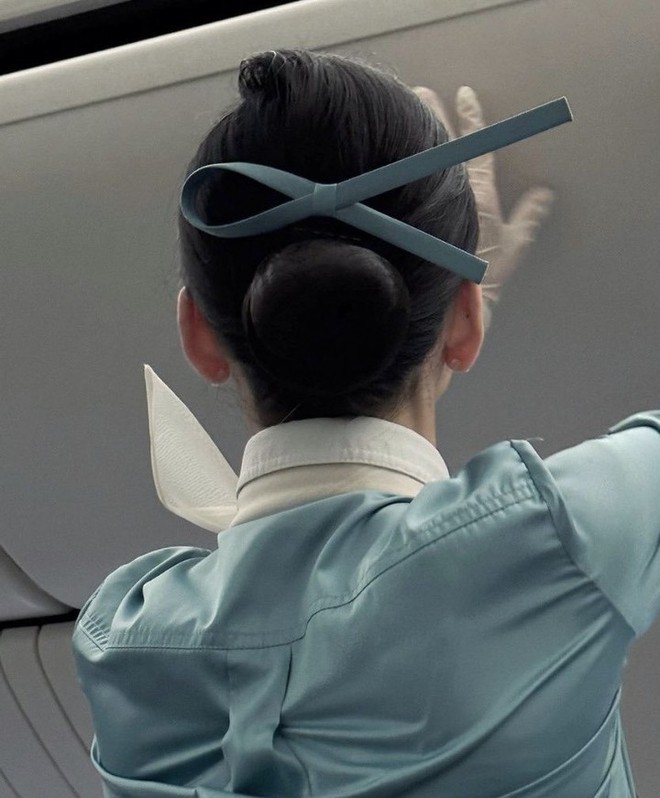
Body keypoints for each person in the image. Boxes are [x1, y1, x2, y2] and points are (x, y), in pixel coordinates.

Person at [72, 49, 659, 798]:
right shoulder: (553, 540)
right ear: (466, 322)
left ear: (198, 334)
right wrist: (454, 305)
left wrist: (454, 306)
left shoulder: (124, 642)